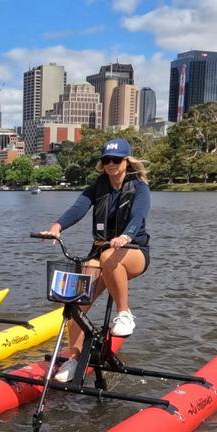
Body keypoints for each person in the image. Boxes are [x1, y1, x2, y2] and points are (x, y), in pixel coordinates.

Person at [39, 137, 150, 382]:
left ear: (126, 161)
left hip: (133, 252)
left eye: (116, 160)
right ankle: (74, 358)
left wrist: (125, 236)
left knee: (110, 255)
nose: (111, 164)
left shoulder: (139, 187)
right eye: (106, 160)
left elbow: (139, 216)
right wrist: (57, 226)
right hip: (101, 253)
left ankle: (124, 314)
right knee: (75, 306)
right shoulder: (98, 186)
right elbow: (78, 208)